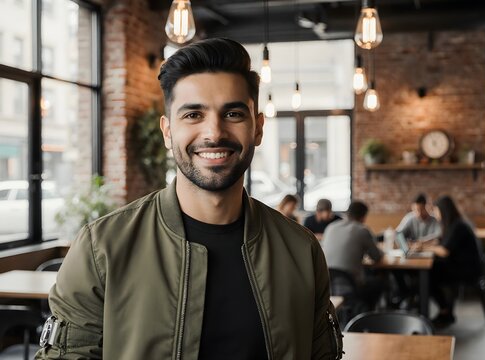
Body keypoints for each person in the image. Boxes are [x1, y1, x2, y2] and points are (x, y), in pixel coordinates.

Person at [36, 38, 342, 359]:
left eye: (234, 113)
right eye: (193, 115)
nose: (214, 132)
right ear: (168, 132)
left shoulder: (302, 250)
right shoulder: (102, 248)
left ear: (258, 128)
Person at [422, 195, 482, 328]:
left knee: (428, 276)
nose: (434, 213)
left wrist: (424, 247)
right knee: (431, 271)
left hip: (468, 271)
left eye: (436, 210)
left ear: (443, 210)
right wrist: (426, 243)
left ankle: (445, 312)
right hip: (461, 266)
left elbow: (444, 251)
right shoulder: (455, 223)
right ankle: (445, 312)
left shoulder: (458, 226)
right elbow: (441, 240)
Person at [322, 201, 384, 309]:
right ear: (363, 217)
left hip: (327, 285)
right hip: (352, 285)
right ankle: (367, 315)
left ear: (347, 213)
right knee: (380, 282)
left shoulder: (330, 227)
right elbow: (376, 257)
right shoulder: (362, 230)